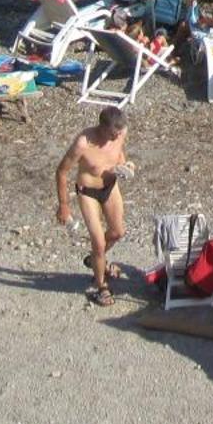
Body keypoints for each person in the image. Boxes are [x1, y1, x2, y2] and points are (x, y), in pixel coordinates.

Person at [55, 105, 131, 305]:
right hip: (88, 192)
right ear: (103, 128)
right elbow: (62, 171)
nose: (117, 138)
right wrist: (64, 205)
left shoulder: (120, 133)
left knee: (117, 232)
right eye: (113, 134)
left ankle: (97, 259)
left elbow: (119, 154)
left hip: (110, 186)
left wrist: (125, 165)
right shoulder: (83, 143)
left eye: (119, 134)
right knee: (98, 242)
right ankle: (101, 286)